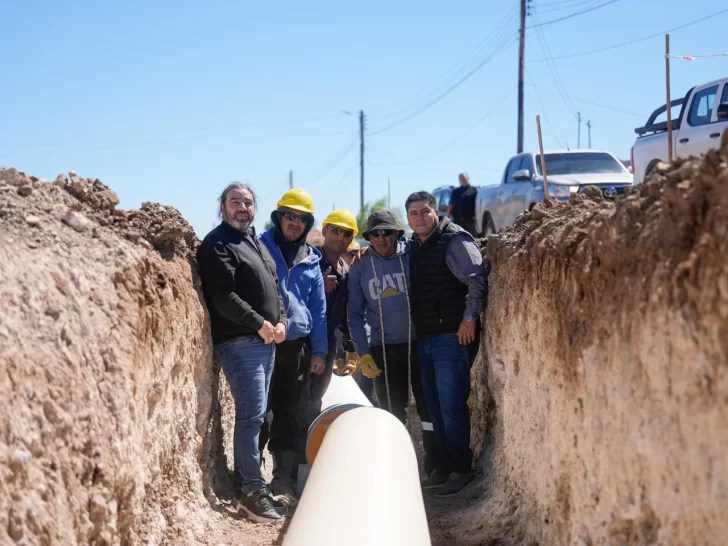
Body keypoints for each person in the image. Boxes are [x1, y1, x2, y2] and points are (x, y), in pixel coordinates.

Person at [197, 182, 287, 523]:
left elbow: (275, 287)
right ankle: (251, 492)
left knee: (258, 417)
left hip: (265, 341)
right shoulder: (217, 243)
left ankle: (255, 485)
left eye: (248, 203)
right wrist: (261, 324)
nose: (242, 208)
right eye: (235, 202)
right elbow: (223, 296)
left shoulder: (255, 242)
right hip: (240, 342)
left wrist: (282, 321)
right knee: (250, 418)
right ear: (223, 207)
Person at [406, 190, 487, 497]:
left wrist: (469, 318)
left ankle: (460, 469)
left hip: (451, 338)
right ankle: (442, 469)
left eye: (425, 211)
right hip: (425, 337)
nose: (420, 217)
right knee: (435, 407)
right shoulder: (413, 244)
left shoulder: (454, 240)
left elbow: (477, 278)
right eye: (413, 213)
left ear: (436, 212)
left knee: (452, 406)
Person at [347, 210, 439, 476]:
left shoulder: (411, 253)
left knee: (426, 406)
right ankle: (396, 469)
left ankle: (433, 464)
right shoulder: (360, 266)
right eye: (375, 234)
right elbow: (354, 314)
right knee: (390, 409)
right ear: (369, 238)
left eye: (387, 232)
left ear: (397, 234)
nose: (381, 238)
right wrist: (363, 353)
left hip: (418, 343)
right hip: (382, 349)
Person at [258, 188, 327, 498]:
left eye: (302, 218)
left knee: (289, 411)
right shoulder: (259, 247)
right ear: (279, 217)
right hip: (262, 341)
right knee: (260, 411)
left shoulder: (312, 259)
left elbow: (319, 310)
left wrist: (320, 350)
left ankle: (283, 478)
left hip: (297, 346)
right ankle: (250, 476)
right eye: (290, 216)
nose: (295, 222)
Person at [313, 209, 358, 415]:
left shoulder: (345, 270)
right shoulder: (308, 261)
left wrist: (349, 346)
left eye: (347, 233)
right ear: (324, 230)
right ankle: (289, 447)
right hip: (305, 341)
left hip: (330, 341)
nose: (340, 237)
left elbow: (345, 313)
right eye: (335, 230)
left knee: (315, 397)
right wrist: (317, 286)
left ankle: (307, 445)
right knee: (296, 398)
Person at [447, 172, 478, 237]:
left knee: (472, 238)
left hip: (470, 219)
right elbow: (451, 205)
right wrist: (448, 218)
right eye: (460, 179)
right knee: (458, 238)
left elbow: (477, 204)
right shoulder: (455, 191)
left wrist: (476, 215)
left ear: (468, 178)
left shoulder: (474, 190)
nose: (462, 180)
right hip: (458, 220)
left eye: (464, 178)